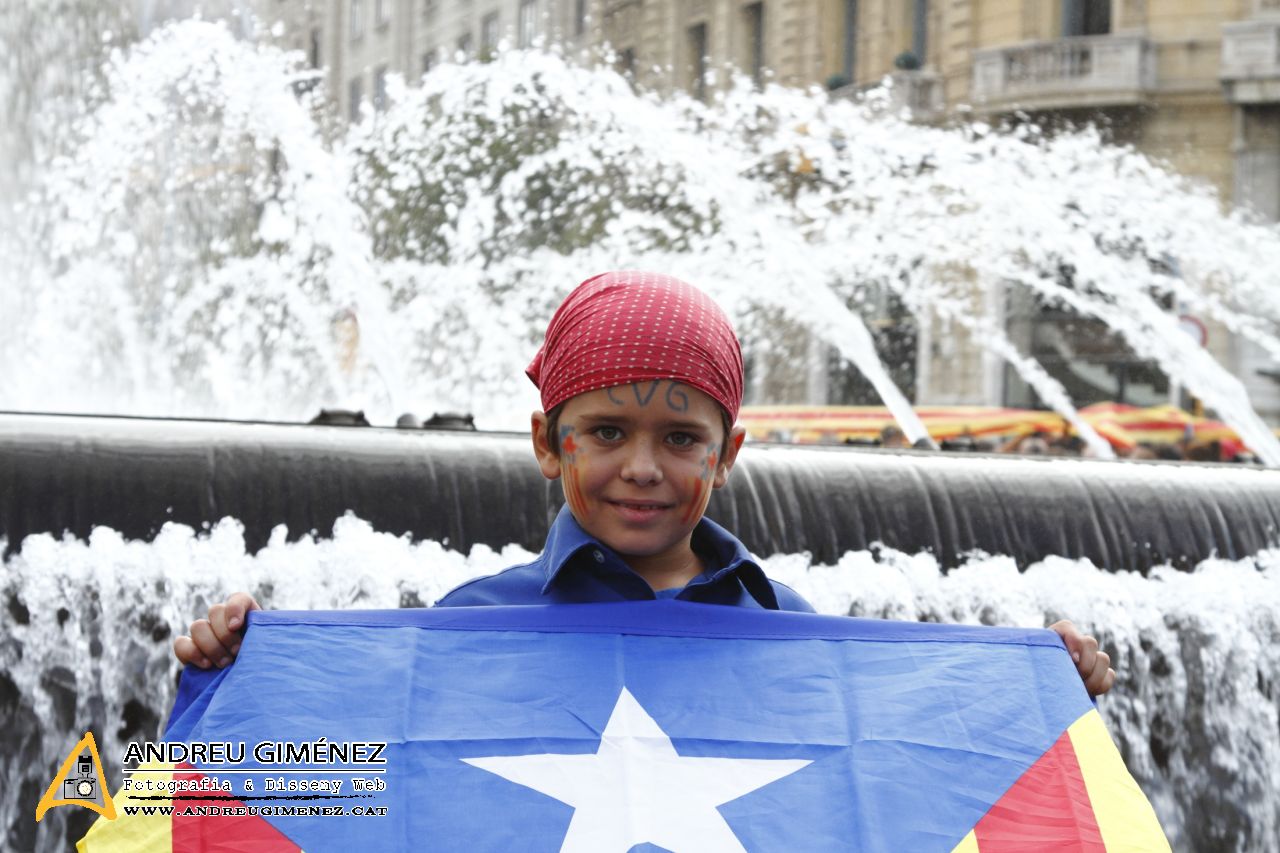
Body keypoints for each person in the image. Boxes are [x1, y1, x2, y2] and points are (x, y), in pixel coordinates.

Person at [174, 271, 1115, 696]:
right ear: (548, 442)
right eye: (607, 431)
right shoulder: (469, 622)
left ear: (727, 452)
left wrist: (1038, 691)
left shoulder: (794, 628)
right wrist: (239, 676)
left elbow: (900, 775)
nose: (641, 467)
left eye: (680, 436)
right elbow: (354, 777)